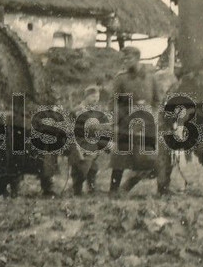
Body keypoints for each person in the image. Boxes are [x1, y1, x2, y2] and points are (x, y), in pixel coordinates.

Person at [108, 46, 168, 195]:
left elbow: (157, 101)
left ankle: (162, 190)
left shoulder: (151, 77)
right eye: (124, 59)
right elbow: (114, 103)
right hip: (126, 124)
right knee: (120, 159)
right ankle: (113, 191)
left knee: (150, 159)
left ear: (137, 58)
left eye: (128, 59)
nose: (125, 62)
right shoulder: (121, 79)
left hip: (146, 124)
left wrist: (151, 115)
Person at [67, 85, 102, 194]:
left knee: (93, 168)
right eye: (93, 97)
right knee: (81, 168)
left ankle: (91, 189)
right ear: (86, 97)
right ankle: (76, 189)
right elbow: (69, 129)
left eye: (97, 97)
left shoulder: (96, 111)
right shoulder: (77, 111)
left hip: (91, 144)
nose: (96, 99)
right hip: (78, 143)